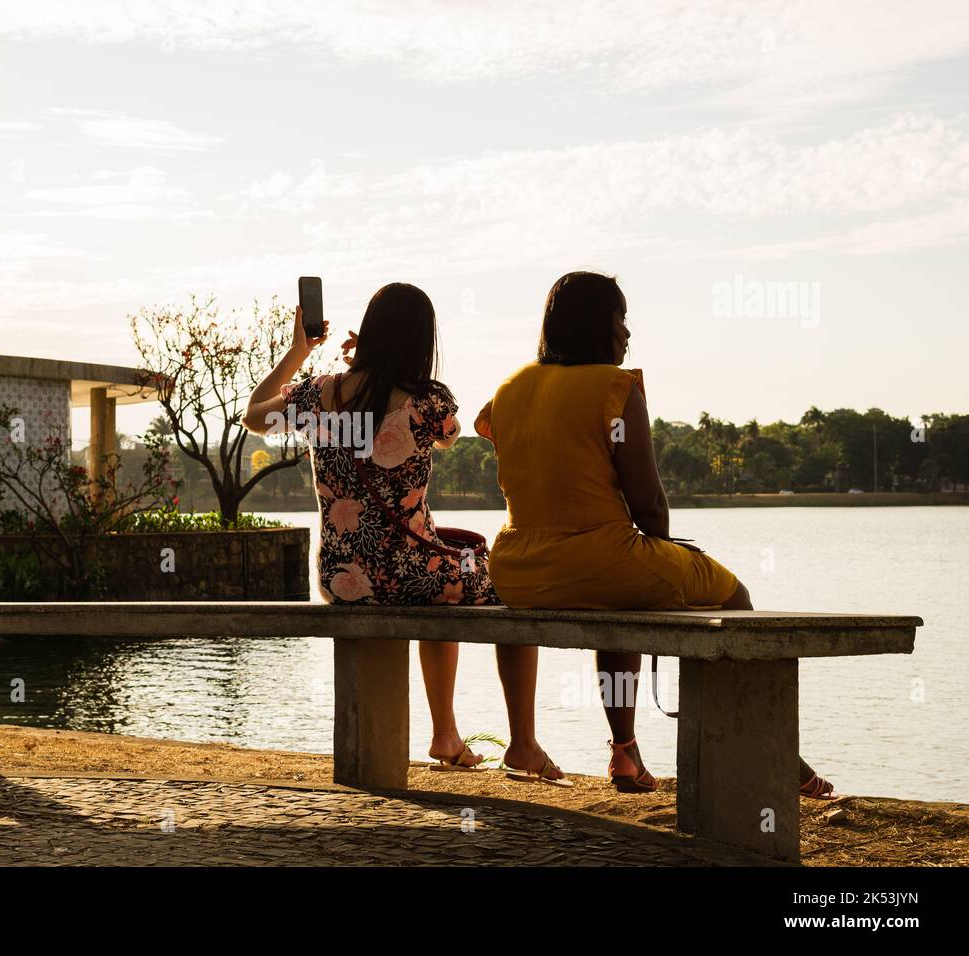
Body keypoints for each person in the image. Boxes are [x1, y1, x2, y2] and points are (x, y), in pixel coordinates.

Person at [475, 270, 835, 798]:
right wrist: (661, 549)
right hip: (606, 560)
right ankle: (774, 748)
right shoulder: (616, 386)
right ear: (597, 324)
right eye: (620, 320)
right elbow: (649, 503)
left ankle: (626, 754)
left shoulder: (507, 390)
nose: (627, 334)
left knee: (621, 600)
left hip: (519, 572)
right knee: (732, 596)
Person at [245, 282, 502, 772]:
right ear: (421, 341)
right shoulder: (430, 403)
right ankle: (454, 734)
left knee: (441, 580)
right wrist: (379, 366)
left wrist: (299, 353)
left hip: (342, 580)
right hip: (415, 573)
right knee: (480, 578)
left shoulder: (316, 394)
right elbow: (450, 436)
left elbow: (254, 417)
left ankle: (446, 736)